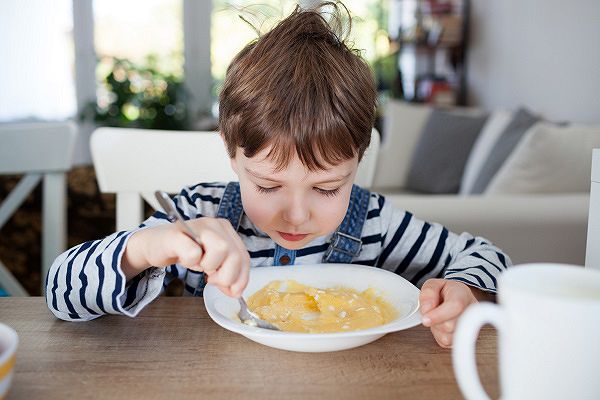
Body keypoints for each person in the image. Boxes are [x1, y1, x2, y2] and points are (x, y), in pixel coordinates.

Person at [46, 2, 510, 348]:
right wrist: (147, 247)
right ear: (232, 154)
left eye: (328, 188)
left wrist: (464, 290)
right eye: (267, 185)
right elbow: (59, 293)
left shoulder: (376, 223)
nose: (297, 213)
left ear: (358, 162)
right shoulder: (196, 213)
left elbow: (489, 256)